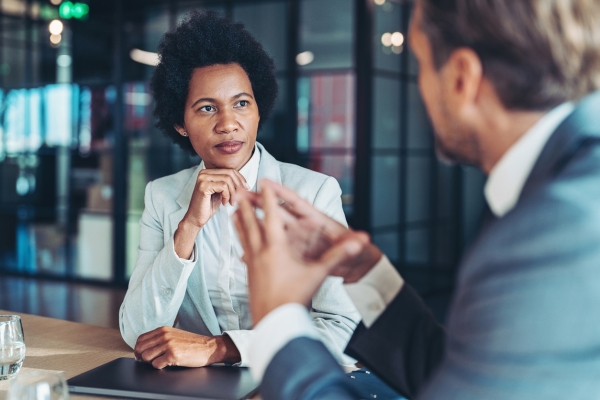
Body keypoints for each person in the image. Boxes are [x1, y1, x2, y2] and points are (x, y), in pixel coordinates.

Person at [233, 0, 600, 398]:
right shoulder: (565, 187)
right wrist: (366, 275)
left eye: (421, 65)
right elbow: (471, 371)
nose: (420, 90)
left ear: (462, 78)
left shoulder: (560, 228)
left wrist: (278, 323)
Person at [118, 10, 361, 370]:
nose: (228, 124)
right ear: (180, 124)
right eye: (206, 108)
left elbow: (343, 327)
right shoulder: (162, 196)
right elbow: (137, 331)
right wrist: (187, 229)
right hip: (199, 390)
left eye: (242, 103)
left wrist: (221, 348)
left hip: (291, 383)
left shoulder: (313, 193)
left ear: (259, 109)